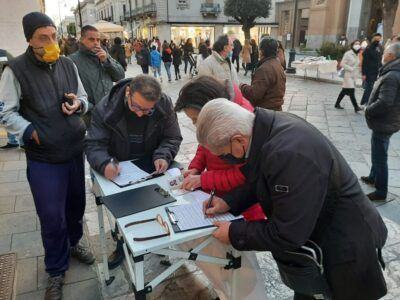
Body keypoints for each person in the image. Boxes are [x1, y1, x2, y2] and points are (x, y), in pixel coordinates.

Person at [196, 98, 388, 300]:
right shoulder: (263, 130)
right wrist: (230, 201)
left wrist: (234, 233)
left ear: (238, 141)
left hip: (345, 248)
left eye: (224, 154)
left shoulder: (287, 153)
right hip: (318, 237)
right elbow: (262, 178)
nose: (226, 159)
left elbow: (287, 233)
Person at [0, 12, 94, 299]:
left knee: (76, 205)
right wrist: (30, 132)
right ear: (30, 39)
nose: (51, 42)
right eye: (44, 37)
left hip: (75, 150)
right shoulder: (14, 71)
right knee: (52, 215)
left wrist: (79, 105)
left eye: (53, 36)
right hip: (43, 158)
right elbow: (5, 111)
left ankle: (74, 243)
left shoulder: (67, 64)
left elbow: (85, 98)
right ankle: (55, 269)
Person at [85, 75, 182, 266]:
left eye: (147, 110)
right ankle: (122, 243)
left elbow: (172, 137)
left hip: (150, 162)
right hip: (120, 164)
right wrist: (105, 164)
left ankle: (159, 241)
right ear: (128, 92)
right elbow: (94, 145)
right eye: (136, 107)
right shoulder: (105, 108)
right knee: (124, 209)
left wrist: (163, 155)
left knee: (158, 202)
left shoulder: (164, 105)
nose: (140, 114)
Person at [174, 75, 265, 220]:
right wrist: (196, 167)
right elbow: (204, 145)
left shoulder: (242, 124)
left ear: (211, 109)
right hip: (218, 196)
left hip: (241, 205)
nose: (195, 125)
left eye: (196, 120)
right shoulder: (215, 120)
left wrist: (202, 179)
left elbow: (242, 175)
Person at [362, 43, 400, 201]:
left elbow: (385, 102)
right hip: (388, 121)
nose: (383, 54)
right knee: (377, 150)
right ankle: (373, 176)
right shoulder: (393, 71)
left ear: (391, 56)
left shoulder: (392, 75)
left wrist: (368, 109)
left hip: (385, 121)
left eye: (385, 52)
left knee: (380, 156)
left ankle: (381, 190)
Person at [69, 25, 125, 126]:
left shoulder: (104, 54)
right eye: (91, 39)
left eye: (98, 40)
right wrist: (90, 107)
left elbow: (120, 76)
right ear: (81, 40)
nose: (96, 43)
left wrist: (107, 61)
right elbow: (72, 91)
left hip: (109, 111)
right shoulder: (72, 61)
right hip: (90, 117)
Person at [239, 37, 286, 111]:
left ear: (261, 51)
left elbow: (254, 94)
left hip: (266, 112)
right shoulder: (278, 65)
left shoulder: (264, 69)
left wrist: (242, 87)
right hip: (276, 110)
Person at [334, 40, 363, 112]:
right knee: (351, 90)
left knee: (344, 91)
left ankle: (337, 104)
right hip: (348, 75)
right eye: (356, 44)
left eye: (359, 44)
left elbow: (358, 65)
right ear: (352, 45)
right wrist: (351, 69)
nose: (357, 45)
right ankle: (356, 107)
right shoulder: (348, 54)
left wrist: (359, 73)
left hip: (354, 76)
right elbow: (342, 64)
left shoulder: (357, 54)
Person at [0, 48, 19, 150]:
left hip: (3, 88)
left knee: (5, 113)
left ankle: (18, 140)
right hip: (9, 87)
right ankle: (14, 140)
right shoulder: (5, 53)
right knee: (7, 113)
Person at [360, 33, 383, 106]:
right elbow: (365, 62)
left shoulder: (379, 48)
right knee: (369, 87)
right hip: (369, 71)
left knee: (371, 88)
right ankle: (365, 102)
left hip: (376, 71)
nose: (378, 40)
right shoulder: (369, 48)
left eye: (379, 39)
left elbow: (380, 59)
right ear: (373, 39)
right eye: (377, 39)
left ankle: (365, 102)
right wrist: (363, 73)